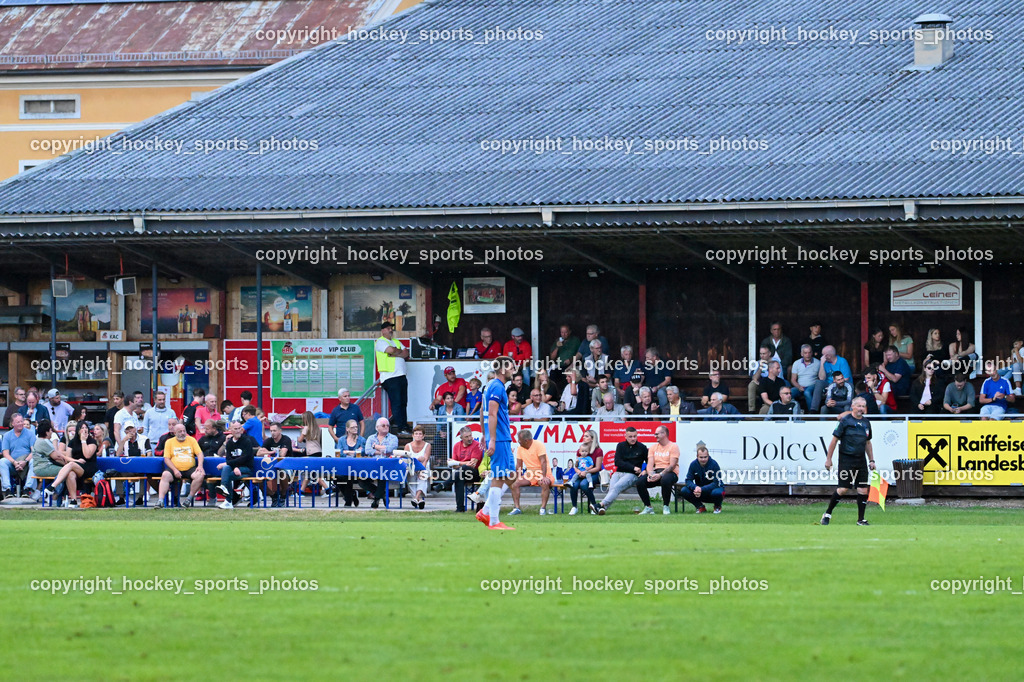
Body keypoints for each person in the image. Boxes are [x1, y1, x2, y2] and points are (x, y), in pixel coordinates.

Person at [821, 396, 875, 526]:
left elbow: (868, 442)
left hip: (861, 459)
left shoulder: (866, 423)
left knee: (863, 489)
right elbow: (834, 441)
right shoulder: (845, 421)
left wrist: (871, 460)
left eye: (863, 406)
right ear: (853, 406)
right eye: (859, 406)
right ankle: (827, 513)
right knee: (843, 489)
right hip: (846, 459)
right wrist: (829, 459)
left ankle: (860, 519)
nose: (861, 409)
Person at [477, 356, 518, 530]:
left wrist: (484, 433)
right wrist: (491, 439)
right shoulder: (496, 386)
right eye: (511, 367)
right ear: (502, 370)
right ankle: (493, 520)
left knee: (510, 476)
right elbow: (491, 414)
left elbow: (482, 411)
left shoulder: (492, 386)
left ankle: (486, 510)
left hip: (501, 437)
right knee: (499, 477)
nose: (514, 370)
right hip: (500, 437)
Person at [596, 426, 648, 514]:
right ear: (625, 436)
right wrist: (633, 467)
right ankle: (602, 509)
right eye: (630, 437)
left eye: (635, 436)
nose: (633, 438)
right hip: (619, 472)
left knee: (616, 487)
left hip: (632, 475)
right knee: (612, 489)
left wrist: (645, 470)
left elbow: (649, 461)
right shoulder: (620, 446)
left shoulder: (642, 447)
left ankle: (600, 505)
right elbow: (617, 462)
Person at [45, 420, 97, 507]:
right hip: (75, 466)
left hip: (89, 467)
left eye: (86, 428)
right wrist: (76, 461)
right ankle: (73, 500)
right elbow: (68, 458)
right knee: (70, 473)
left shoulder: (91, 441)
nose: (84, 430)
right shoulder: (73, 442)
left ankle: (52, 487)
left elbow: (87, 455)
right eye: (82, 428)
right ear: (78, 430)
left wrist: (83, 441)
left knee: (71, 466)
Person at [157, 423, 205, 508]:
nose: (182, 433)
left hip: (189, 468)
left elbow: (200, 454)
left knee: (200, 475)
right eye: (180, 431)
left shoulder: (192, 440)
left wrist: (200, 466)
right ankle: (160, 501)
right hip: (174, 468)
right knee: (165, 475)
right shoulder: (169, 442)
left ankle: (189, 499)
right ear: (175, 433)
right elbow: (167, 458)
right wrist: (175, 470)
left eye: (184, 431)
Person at [636, 425, 680, 515]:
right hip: (656, 472)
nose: (655, 436)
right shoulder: (653, 447)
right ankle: (648, 507)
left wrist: (660, 475)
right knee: (640, 482)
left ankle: (666, 506)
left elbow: (672, 466)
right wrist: (650, 474)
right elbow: (650, 464)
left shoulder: (673, 446)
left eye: (657, 434)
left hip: (671, 473)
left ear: (664, 434)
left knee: (665, 479)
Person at [376, 321, 411, 435]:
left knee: (403, 402)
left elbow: (406, 353)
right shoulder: (380, 342)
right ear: (383, 330)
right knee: (396, 403)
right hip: (390, 377)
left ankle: (404, 425)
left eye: (391, 328)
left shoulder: (396, 341)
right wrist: (396, 351)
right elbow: (391, 350)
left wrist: (396, 353)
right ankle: (400, 427)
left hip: (401, 375)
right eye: (388, 328)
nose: (390, 330)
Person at [216, 420, 259, 510]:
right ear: (231, 430)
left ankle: (228, 500)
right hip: (235, 469)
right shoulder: (230, 443)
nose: (238, 430)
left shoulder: (247, 441)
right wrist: (234, 467)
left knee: (227, 471)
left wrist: (230, 464)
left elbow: (245, 458)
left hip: (247, 468)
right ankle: (226, 494)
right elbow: (229, 458)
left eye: (239, 428)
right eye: (235, 429)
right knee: (226, 470)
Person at [509, 428, 553, 515]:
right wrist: (518, 477)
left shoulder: (539, 445)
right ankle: (517, 508)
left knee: (544, 483)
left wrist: (544, 476)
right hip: (530, 474)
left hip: (543, 472)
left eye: (519, 440)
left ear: (526, 441)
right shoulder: (520, 448)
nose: (518, 442)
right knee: (515, 485)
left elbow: (543, 461)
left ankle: (542, 509)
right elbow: (519, 465)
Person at [256, 421, 297, 508]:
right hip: (271, 467)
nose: (272, 433)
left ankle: (283, 496)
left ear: (280, 431)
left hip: (286, 466)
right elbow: (259, 453)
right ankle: (273, 496)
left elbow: (282, 454)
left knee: (282, 474)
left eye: (274, 431)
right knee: (258, 478)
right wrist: (272, 452)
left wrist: (267, 452)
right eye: (271, 431)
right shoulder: (268, 441)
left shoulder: (286, 439)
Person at [363, 417, 400, 509]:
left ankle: (376, 499)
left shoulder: (393, 438)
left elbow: (390, 449)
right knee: (361, 478)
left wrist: (375, 446)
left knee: (382, 474)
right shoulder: (371, 437)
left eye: (387, 425)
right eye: (383, 425)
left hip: (387, 465)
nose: (386, 427)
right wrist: (382, 450)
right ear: (377, 427)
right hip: (372, 464)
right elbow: (367, 450)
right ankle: (381, 494)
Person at [679, 442, 725, 513]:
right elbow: (688, 480)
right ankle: (700, 507)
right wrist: (695, 488)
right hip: (699, 492)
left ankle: (717, 506)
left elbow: (716, 483)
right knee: (684, 490)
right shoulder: (693, 464)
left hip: (712, 491)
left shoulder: (714, 464)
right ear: (697, 456)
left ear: (708, 456)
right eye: (701, 457)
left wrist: (701, 489)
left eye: (705, 457)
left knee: (717, 492)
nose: (703, 459)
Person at [2, 413, 39, 500]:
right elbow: (5, 453)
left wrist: (25, 461)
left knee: (34, 461)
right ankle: (7, 489)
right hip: (13, 463)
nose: (20, 423)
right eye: (18, 422)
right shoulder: (7, 435)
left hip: (26, 462)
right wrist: (15, 463)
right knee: (2, 461)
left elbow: (34, 451)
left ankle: (27, 488)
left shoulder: (30, 434)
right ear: (12, 424)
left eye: (21, 421)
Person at [30, 419, 68, 498]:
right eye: (51, 430)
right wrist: (69, 463)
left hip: (44, 466)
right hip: (43, 468)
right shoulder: (43, 442)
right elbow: (56, 457)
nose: (52, 432)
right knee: (67, 471)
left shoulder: (43, 441)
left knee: (66, 470)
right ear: (47, 432)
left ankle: (54, 493)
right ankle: (54, 494)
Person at [568, 429, 602, 515]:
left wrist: (586, 472)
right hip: (580, 473)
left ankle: (594, 505)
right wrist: (579, 471)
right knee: (574, 485)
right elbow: (576, 465)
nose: (584, 437)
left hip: (593, 474)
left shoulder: (598, 451)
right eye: (584, 436)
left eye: (586, 436)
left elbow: (597, 467)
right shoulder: (580, 449)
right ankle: (574, 507)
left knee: (583, 484)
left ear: (592, 438)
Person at [449, 426, 482, 513]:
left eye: (470, 435)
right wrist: (462, 463)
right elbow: (453, 465)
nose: (469, 438)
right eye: (466, 437)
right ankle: (460, 508)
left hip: (475, 473)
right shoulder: (457, 446)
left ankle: (446, 484)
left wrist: (458, 463)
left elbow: (472, 464)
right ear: (461, 438)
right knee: (459, 477)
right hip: (462, 473)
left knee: (463, 469)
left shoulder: (476, 445)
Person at [811, 346, 853, 413]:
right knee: (818, 382)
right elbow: (822, 378)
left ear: (828, 356)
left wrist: (832, 387)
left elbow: (846, 379)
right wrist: (822, 364)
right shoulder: (825, 362)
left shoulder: (842, 361)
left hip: (841, 385)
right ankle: (813, 410)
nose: (822, 357)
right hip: (829, 385)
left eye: (823, 355)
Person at [336, 419, 366, 507]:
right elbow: (340, 453)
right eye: (353, 427)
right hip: (344, 466)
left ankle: (348, 501)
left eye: (356, 427)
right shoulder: (341, 440)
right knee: (336, 478)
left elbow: (364, 452)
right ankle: (352, 494)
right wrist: (355, 452)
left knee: (348, 476)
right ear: (347, 429)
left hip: (358, 467)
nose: (356, 429)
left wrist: (348, 452)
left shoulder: (362, 440)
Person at [296, 411, 327, 496]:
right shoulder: (317, 428)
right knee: (310, 474)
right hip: (318, 452)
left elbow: (300, 440)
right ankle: (301, 491)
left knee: (312, 474)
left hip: (311, 453)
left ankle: (328, 489)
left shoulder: (306, 428)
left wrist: (302, 432)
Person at [403, 427, 431, 510]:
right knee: (411, 478)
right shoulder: (408, 446)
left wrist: (421, 469)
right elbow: (406, 460)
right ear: (412, 435)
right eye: (416, 434)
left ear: (423, 436)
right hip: (411, 468)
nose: (418, 436)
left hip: (423, 467)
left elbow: (425, 460)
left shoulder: (427, 445)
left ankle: (416, 498)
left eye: (420, 434)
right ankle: (420, 499)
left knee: (423, 476)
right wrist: (417, 460)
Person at [790, 344, 820, 410]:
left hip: (812, 386)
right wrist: (799, 387)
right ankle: (793, 411)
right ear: (801, 354)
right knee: (789, 393)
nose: (808, 355)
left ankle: (812, 413)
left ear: (812, 353)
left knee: (807, 392)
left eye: (809, 352)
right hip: (799, 386)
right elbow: (793, 380)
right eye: (805, 353)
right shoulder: (796, 363)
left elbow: (821, 378)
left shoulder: (818, 363)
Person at [747, 346, 773, 412]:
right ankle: (751, 410)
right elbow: (754, 378)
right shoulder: (758, 363)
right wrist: (760, 367)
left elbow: (779, 378)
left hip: (771, 384)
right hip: (761, 384)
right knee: (752, 385)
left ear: (769, 353)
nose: (762, 356)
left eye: (764, 354)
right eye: (760, 354)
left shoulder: (775, 362)